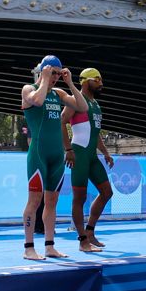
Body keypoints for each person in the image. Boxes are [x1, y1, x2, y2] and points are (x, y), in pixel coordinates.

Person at [21, 55, 87, 260]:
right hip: (38, 154)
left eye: (59, 74)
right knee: (34, 200)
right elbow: (38, 101)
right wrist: (44, 78)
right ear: (43, 70)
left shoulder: (59, 94)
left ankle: (49, 245)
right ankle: (29, 247)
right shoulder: (29, 89)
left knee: (52, 201)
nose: (56, 77)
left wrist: (70, 83)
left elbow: (82, 107)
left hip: (56, 156)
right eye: (53, 73)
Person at [61, 68, 114, 252]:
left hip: (92, 155)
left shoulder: (96, 104)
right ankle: (83, 240)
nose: (101, 83)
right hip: (79, 154)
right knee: (79, 198)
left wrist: (105, 153)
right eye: (97, 79)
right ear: (85, 82)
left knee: (107, 192)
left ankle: (90, 232)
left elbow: (96, 132)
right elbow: (62, 120)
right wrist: (68, 149)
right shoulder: (75, 100)